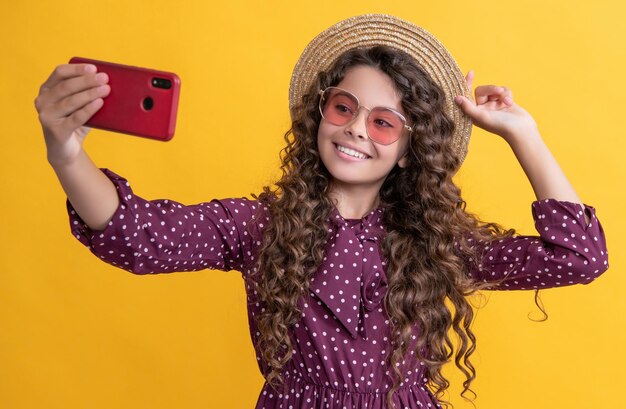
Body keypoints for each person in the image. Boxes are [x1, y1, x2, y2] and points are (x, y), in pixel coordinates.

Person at [34, 14, 609, 409]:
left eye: (384, 122)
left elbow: (580, 256)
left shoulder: (436, 247)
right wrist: (66, 153)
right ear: (319, 116)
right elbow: (139, 236)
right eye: (344, 107)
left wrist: (522, 134)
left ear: (411, 151)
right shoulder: (259, 225)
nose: (357, 128)